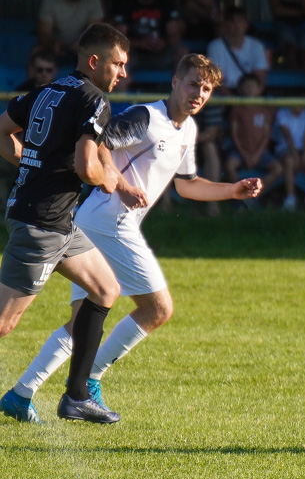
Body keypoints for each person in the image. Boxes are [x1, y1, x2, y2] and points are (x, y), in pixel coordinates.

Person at [1, 54, 263, 423]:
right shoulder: (146, 118)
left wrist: (232, 191)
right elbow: (98, 144)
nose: (198, 93)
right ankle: (89, 382)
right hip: (108, 221)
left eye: (206, 89)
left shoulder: (186, 130)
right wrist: (121, 184)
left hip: (94, 223)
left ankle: (21, 393)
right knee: (158, 309)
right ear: (174, 82)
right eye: (192, 84)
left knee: (84, 322)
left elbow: (187, 187)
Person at [0, 23, 128, 424]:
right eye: (117, 63)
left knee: (106, 289)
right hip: (42, 224)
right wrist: (107, 178)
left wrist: (29, 162)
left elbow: (1, 130)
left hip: (52, 219)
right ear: (95, 61)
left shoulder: (47, 90)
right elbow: (86, 165)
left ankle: (75, 396)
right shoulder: (94, 100)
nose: (122, 72)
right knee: (4, 323)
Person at [224, 74, 282, 201]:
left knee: (277, 168)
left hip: (260, 152)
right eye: (246, 86)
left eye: (253, 86)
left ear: (259, 89)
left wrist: (257, 154)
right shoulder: (237, 109)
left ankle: (254, 195)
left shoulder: (264, 110)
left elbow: (266, 135)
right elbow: (235, 135)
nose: (250, 89)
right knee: (230, 165)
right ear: (241, 89)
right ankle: (239, 196)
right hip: (240, 151)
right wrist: (244, 154)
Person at [112, 0, 189, 71]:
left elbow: (177, 30)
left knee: (181, 51)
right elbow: (117, 35)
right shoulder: (125, 3)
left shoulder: (165, 2)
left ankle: (181, 82)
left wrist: (165, 42)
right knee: (118, 51)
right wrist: (139, 43)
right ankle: (122, 81)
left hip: (161, 52)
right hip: (134, 53)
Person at [206, 6, 270, 92]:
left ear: (246, 24)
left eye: (240, 21)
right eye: (232, 21)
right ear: (225, 24)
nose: (236, 25)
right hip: (226, 93)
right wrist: (232, 102)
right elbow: (215, 80)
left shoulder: (257, 46)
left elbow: (260, 77)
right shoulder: (215, 46)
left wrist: (253, 99)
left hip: (250, 92)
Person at [37, 0, 105, 64]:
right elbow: (44, 33)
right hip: (55, 49)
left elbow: (94, 31)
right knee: (36, 51)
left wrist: (81, 44)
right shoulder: (50, 0)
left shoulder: (94, 1)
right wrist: (52, 44)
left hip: (84, 50)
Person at [274, 105, 305, 211]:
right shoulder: (282, 113)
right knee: (289, 161)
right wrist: (295, 155)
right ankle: (290, 198)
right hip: (286, 149)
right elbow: (287, 136)